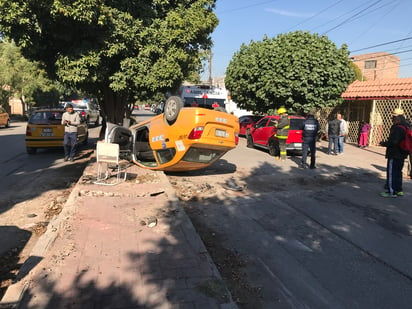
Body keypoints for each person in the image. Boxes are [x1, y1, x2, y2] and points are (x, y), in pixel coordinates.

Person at [379, 109, 409, 197]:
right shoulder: (406, 126)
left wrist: (384, 143)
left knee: (392, 173)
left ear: (398, 118)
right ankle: (398, 189)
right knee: (398, 172)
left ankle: (391, 191)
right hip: (402, 153)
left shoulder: (398, 128)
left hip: (395, 153)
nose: (392, 119)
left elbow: (394, 142)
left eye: (393, 117)